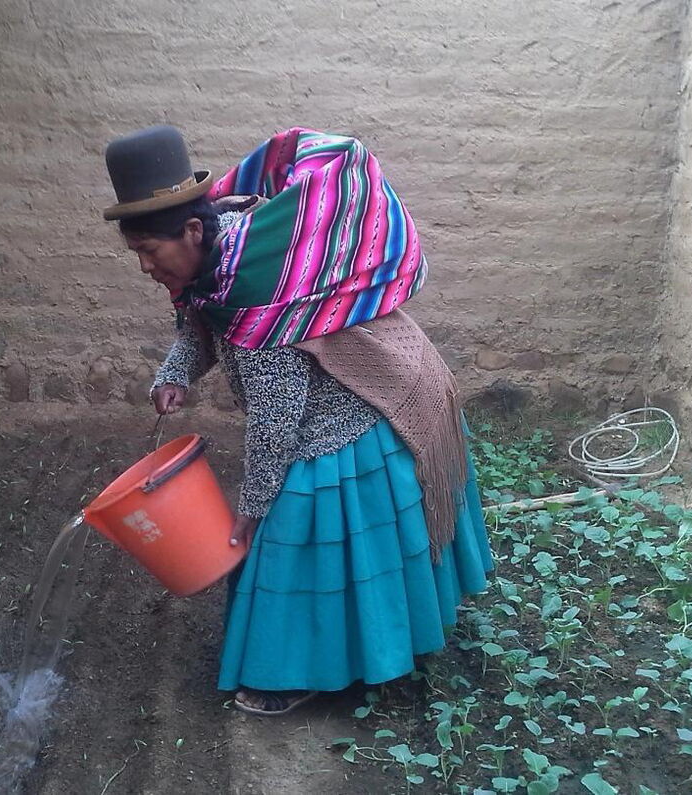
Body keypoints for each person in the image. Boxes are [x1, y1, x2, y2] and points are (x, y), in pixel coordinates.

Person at [103, 125, 493, 716]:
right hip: (368, 375)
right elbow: (200, 324)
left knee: (292, 530)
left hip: (361, 405)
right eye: (135, 255)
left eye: (148, 254)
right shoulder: (217, 251)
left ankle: (311, 670)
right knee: (286, 523)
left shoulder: (257, 283)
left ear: (189, 231)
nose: (143, 268)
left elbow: (276, 422)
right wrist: (175, 374)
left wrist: (252, 512)